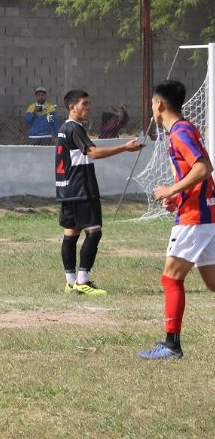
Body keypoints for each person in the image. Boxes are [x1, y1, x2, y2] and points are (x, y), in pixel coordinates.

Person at [138, 80, 215, 360]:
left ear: (159, 105)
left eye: (151, 103)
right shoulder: (185, 129)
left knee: (170, 277)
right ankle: (171, 344)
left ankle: (171, 345)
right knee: (213, 282)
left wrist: (172, 189)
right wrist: (178, 196)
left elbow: (204, 167)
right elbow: (196, 173)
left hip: (195, 218)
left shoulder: (180, 132)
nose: (151, 108)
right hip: (204, 213)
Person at [56, 89, 143, 295]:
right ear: (72, 107)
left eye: (88, 103)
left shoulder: (64, 128)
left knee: (71, 233)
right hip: (81, 189)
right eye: (84, 104)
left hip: (67, 189)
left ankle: (70, 281)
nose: (88, 107)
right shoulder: (74, 128)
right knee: (94, 232)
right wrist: (124, 148)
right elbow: (93, 153)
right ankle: (82, 280)